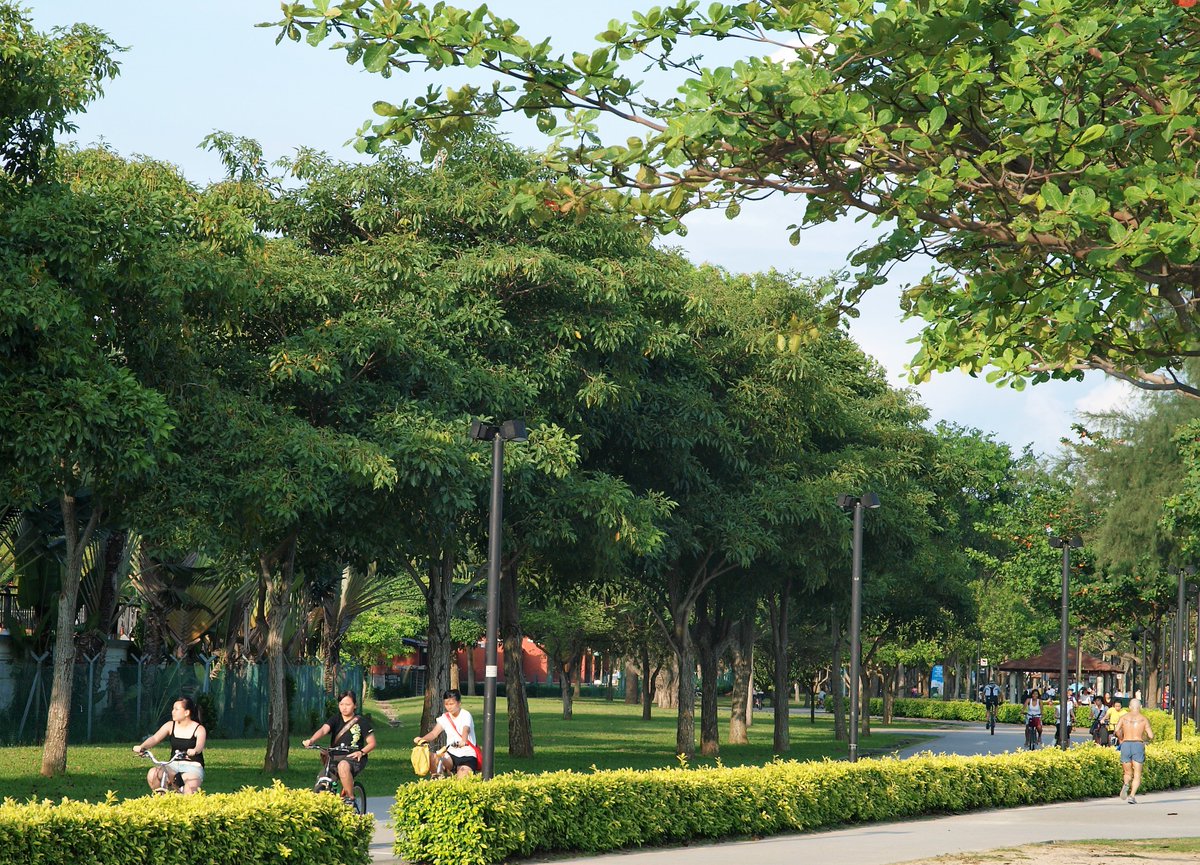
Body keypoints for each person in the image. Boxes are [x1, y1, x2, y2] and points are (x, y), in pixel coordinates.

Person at [303, 690, 376, 804]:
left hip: (353, 757)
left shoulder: (361, 722)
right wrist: (311, 740)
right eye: (341, 704)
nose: (344, 707)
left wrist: (361, 752)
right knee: (322, 780)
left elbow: (372, 743)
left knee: (343, 766)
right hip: (334, 757)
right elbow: (323, 730)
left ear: (355, 705)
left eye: (348, 704)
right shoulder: (335, 719)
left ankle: (350, 798)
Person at [133, 695, 207, 795]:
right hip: (173, 764)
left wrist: (194, 750)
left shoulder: (199, 729)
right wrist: (142, 747)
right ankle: (162, 799)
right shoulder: (170, 725)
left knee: (189, 790)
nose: (173, 712)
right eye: (173, 709)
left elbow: (200, 746)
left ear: (187, 712)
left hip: (192, 766)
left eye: (176, 709)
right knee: (153, 774)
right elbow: (155, 738)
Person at [414, 689, 480, 778]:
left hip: (467, 755)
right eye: (446, 704)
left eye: (451, 704)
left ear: (459, 703)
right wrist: (422, 739)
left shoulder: (465, 715)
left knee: (462, 778)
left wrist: (463, 741)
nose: (449, 707)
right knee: (432, 757)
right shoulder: (445, 717)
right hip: (451, 754)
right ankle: (437, 780)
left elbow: (466, 729)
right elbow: (434, 733)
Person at [1114, 697, 1154, 803]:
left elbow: (1116, 730)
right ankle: (1132, 796)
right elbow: (1151, 735)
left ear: (1129, 707)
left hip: (1126, 744)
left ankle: (1126, 783)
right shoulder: (1143, 719)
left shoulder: (1123, 717)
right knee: (1137, 773)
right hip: (1137, 744)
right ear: (1140, 707)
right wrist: (1144, 737)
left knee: (1127, 772)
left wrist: (1121, 737)